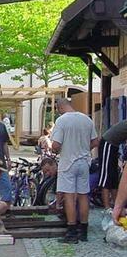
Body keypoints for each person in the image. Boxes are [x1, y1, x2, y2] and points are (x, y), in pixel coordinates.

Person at [51, 97, 98, 243]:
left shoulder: (62, 121)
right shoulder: (86, 119)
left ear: (59, 108)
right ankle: (83, 230)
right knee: (84, 195)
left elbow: (55, 145)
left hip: (68, 163)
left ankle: (71, 232)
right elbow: (96, 141)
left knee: (70, 196)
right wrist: (84, 149)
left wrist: (59, 150)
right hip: (84, 162)